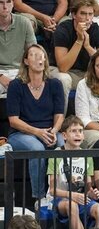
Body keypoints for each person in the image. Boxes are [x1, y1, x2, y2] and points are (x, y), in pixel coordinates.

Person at [7, 44, 65, 199]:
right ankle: (39, 198)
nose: (39, 57)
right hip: (22, 133)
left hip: (49, 130)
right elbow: (13, 120)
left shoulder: (55, 84)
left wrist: (53, 131)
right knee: (37, 148)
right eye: (33, 54)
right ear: (26, 61)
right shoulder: (16, 85)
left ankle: (61, 195)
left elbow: (60, 115)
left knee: (61, 146)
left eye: (42, 54)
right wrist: (37, 132)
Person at [47, 115, 99, 229]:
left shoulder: (87, 156)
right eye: (73, 131)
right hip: (60, 200)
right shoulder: (56, 155)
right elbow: (53, 190)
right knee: (72, 206)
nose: (78, 134)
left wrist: (92, 193)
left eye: (80, 131)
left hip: (81, 198)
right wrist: (72, 195)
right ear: (64, 135)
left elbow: (88, 187)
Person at [50, 0, 99, 114]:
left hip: (84, 73)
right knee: (64, 79)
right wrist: (79, 40)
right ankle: (60, 120)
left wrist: (87, 46)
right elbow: (63, 67)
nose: (87, 18)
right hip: (59, 71)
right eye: (83, 13)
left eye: (90, 14)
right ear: (74, 15)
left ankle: (98, 120)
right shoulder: (63, 30)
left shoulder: (98, 31)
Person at [0, 0, 36, 96]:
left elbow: (33, 53)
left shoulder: (24, 23)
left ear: (13, 4)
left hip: (19, 71)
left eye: (8, 2)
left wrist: (24, 73)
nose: (5, 6)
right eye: (0, 2)